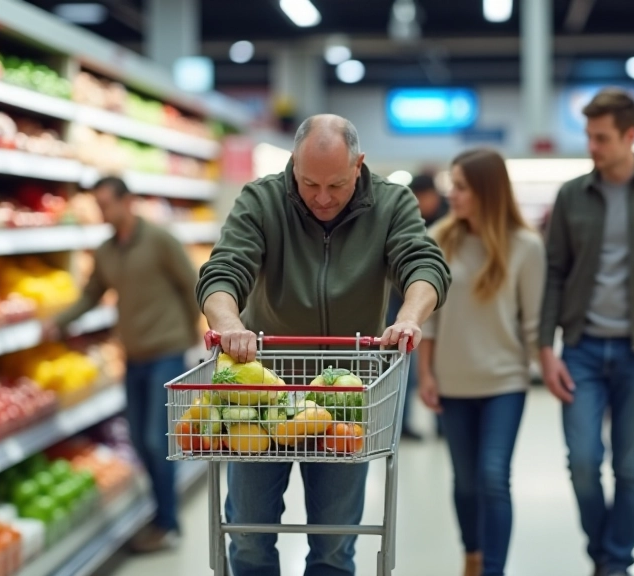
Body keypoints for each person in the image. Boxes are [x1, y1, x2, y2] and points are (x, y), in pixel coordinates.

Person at [195, 114, 451, 576]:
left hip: (345, 394)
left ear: (360, 164)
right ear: (293, 162)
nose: (322, 198)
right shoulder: (262, 199)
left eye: (336, 184)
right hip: (261, 389)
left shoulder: (392, 204)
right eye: (309, 182)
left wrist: (410, 318)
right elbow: (223, 270)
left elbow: (424, 265)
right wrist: (229, 322)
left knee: (334, 545)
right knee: (249, 538)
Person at [538, 89, 634, 576]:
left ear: (630, 135)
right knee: (582, 461)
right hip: (581, 348)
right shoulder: (571, 195)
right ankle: (603, 553)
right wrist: (545, 346)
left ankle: (615, 563)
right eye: (588, 136)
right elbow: (554, 272)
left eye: (601, 138)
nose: (592, 147)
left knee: (629, 468)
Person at [44, 176, 201, 553]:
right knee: (136, 438)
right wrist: (59, 323)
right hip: (133, 356)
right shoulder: (105, 251)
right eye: (97, 206)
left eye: (106, 204)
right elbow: (92, 294)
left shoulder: (160, 239)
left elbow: (192, 283)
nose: (102, 212)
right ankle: (161, 509)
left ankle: (168, 523)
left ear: (127, 201)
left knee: (155, 438)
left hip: (167, 352)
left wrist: (200, 332)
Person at [418, 149, 545, 576]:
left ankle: (493, 569)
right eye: (451, 185)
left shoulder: (526, 247)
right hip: (453, 381)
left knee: (493, 477)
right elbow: (429, 318)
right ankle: (471, 554)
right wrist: (426, 374)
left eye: (461, 187)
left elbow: (535, 323)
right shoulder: (440, 239)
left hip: (505, 382)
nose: (451, 194)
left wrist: (547, 367)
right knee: (466, 482)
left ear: (487, 192)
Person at [386, 172, 449, 440]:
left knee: (440, 366)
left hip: (440, 305)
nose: (419, 203)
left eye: (422, 197)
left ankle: (443, 425)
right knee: (405, 368)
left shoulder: (449, 220)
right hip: (400, 305)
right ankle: (402, 426)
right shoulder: (406, 217)